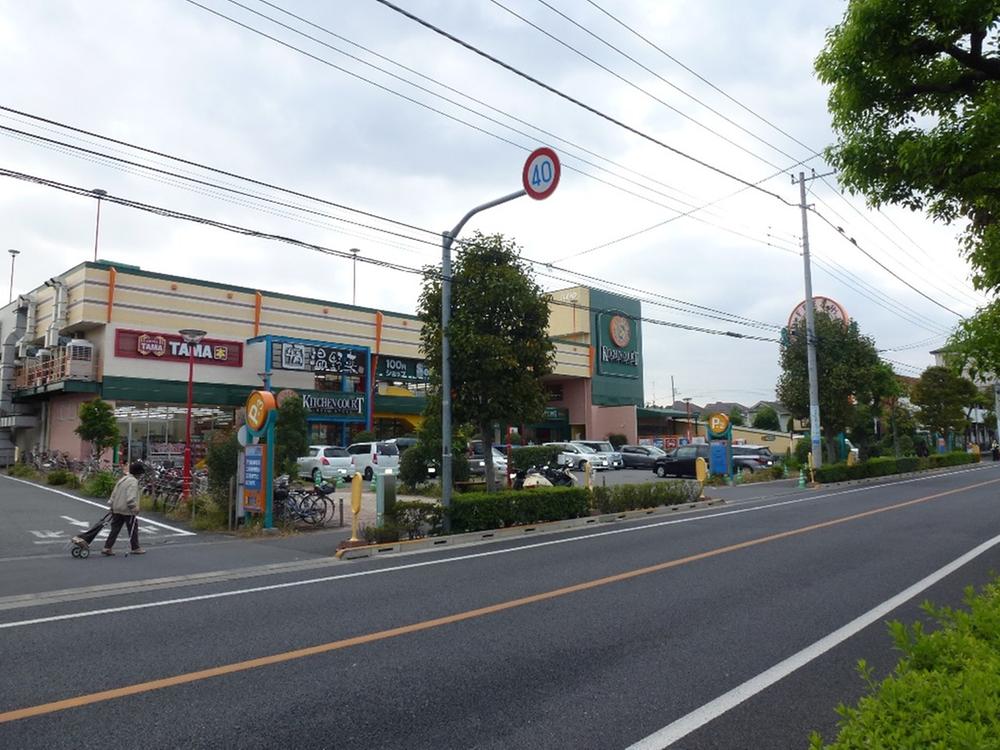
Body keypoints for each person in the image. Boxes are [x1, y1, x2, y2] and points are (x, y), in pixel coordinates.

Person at [72, 462, 146, 555]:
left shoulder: (123, 479)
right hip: (127, 510)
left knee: (115, 529)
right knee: (133, 528)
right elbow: (130, 498)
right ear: (138, 473)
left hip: (116, 508)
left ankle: (107, 548)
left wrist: (111, 505)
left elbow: (114, 493)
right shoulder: (133, 482)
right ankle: (135, 548)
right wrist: (134, 508)